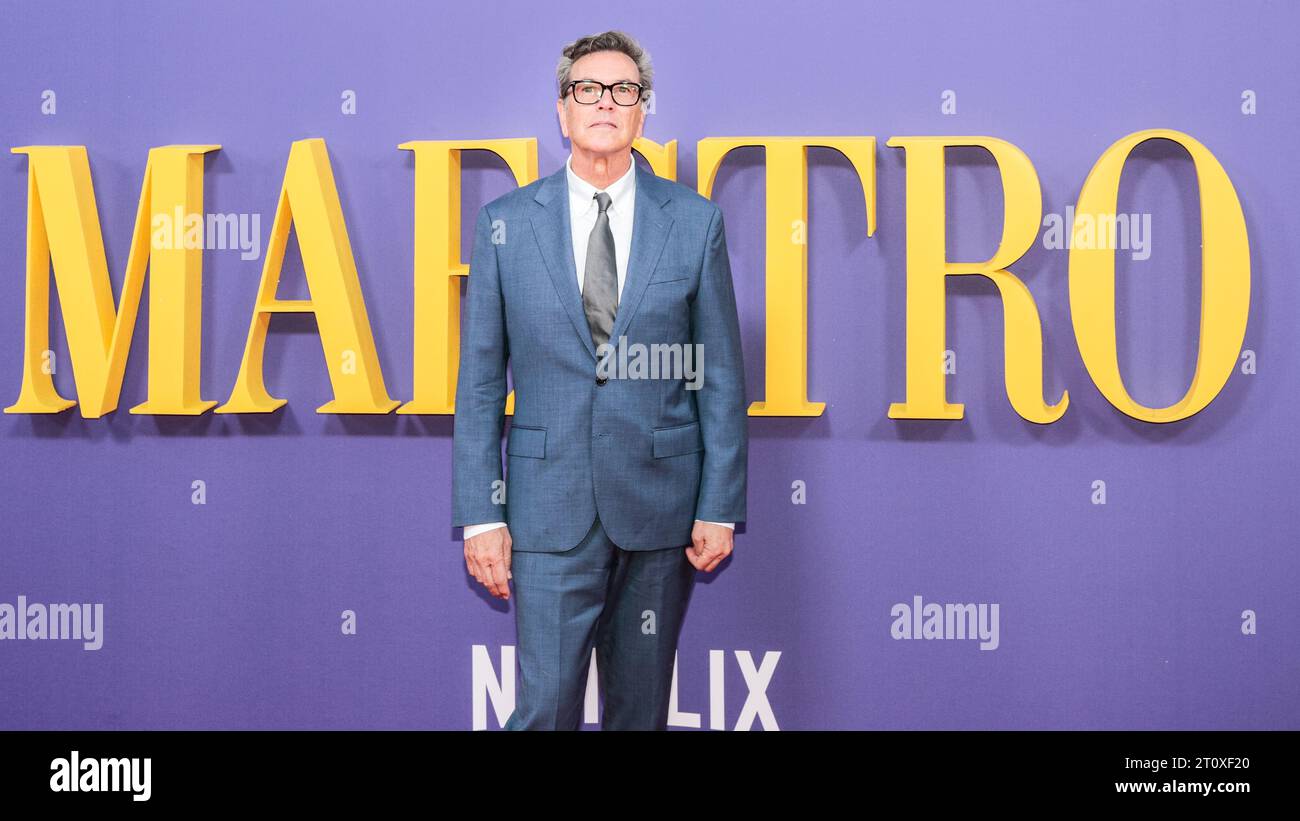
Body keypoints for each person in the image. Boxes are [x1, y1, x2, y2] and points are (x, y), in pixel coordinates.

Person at [452, 30, 748, 730]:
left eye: (624, 91)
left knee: (640, 712)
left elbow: (721, 377)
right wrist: (482, 512)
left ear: (644, 111)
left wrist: (719, 503)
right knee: (546, 706)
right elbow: (480, 384)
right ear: (563, 111)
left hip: (660, 513)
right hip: (547, 513)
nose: (605, 102)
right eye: (588, 89)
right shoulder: (504, 227)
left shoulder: (695, 223)